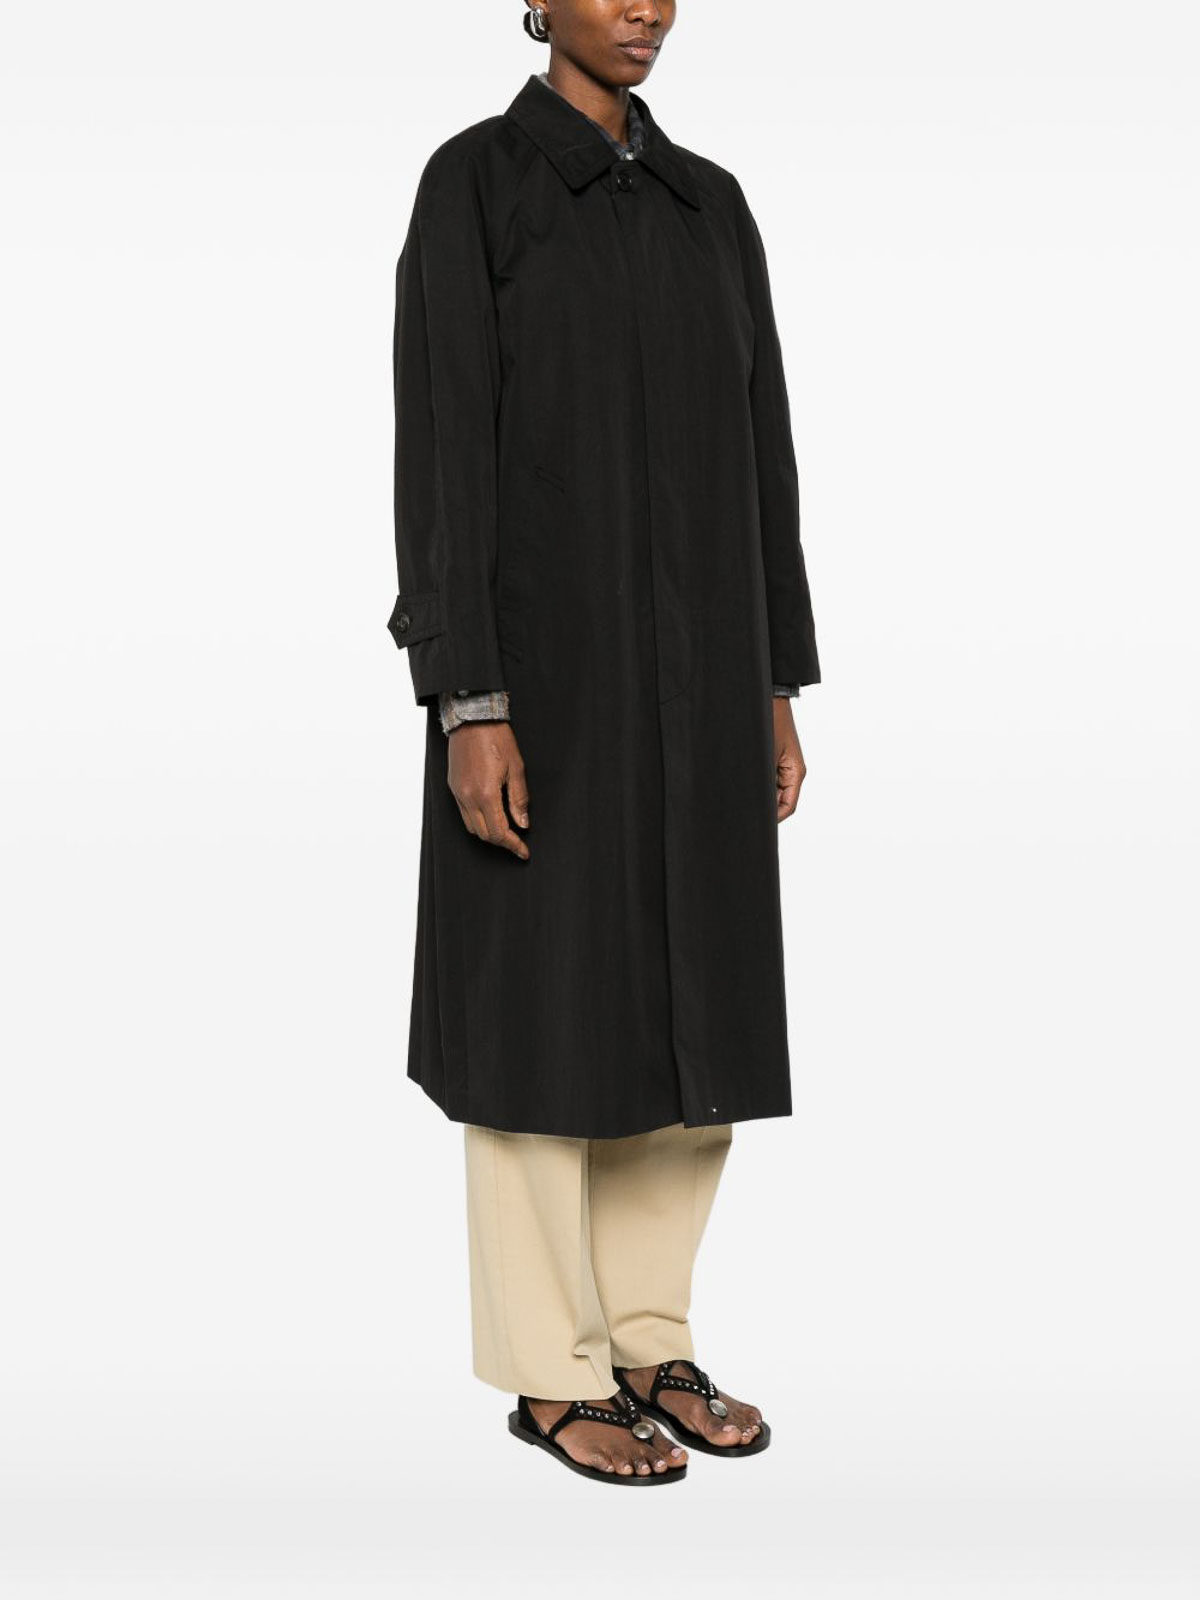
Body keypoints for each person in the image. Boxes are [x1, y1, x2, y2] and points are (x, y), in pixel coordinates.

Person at [387, 1, 819, 1486]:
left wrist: (776, 681)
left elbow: (764, 452)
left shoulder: (711, 205)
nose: (645, 6)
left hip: (706, 675)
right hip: (544, 684)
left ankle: (648, 1338)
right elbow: (444, 445)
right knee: (541, 1017)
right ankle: (549, 1369)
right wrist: (469, 698)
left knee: (690, 1003)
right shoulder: (477, 185)